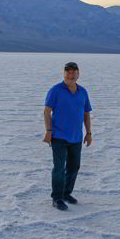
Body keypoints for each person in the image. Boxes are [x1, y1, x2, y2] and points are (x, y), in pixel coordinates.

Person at [43, 61, 92, 210]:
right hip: (58, 136)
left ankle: (66, 193)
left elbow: (86, 114)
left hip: (76, 137)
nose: (71, 74)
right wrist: (49, 131)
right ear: (63, 73)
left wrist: (88, 133)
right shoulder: (55, 90)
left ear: (78, 74)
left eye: (73, 72)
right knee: (59, 167)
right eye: (68, 72)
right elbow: (47, 111)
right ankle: (57, 197)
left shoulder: (83, 92)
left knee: (74, 167)